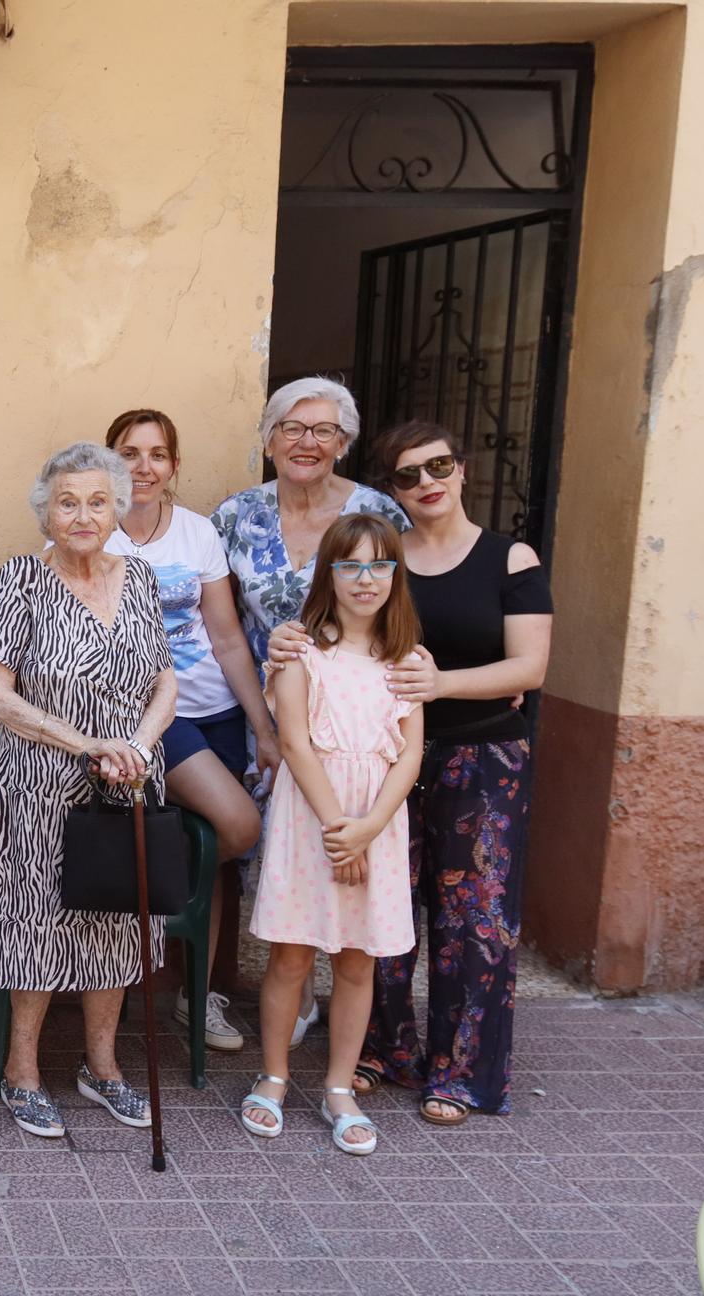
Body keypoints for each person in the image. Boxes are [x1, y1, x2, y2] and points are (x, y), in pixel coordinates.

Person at [269, 422, 551, 1125]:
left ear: (463, 470)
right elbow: (311, 665)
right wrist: (284, 642)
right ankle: (380, 1052)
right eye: (406, 473)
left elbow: (530, 667)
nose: (426, 481)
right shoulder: (387, 558)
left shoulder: (505, 558)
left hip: (475, 757)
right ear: (390, 488)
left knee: (471, 919)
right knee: (383, 924)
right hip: (362, 774)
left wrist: (436, 682)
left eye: (439, 466)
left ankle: (459, 1074)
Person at [0, 442, 178, 1138]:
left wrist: (141, 747)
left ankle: (103, 1066)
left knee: (118, 916)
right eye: (68, 501)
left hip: (130, 779)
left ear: (118, 506)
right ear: (47, 510)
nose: (83, 514)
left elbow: (165, 683)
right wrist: (88, 744)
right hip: (43, 779)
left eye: (97, 500)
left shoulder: (142, 578)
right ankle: (21, 1072)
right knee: (35, 917)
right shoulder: (21, 579)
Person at [212, 376, 408, 1044]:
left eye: (324, 430)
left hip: (353, 715)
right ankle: (266, 994)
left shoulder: (379, 510)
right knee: (264, 857)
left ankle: (333, 1000)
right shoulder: (235, 515)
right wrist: (264, 726)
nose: (307, 442)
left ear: (344, 442)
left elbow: (403, 600)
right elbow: (225, 626)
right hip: (257, 718)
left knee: (345, 851)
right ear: (268, 440)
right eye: (292, 428)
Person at [238, 515, 423, 1158]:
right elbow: (294, 742)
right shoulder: (300, 653)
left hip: (376, 822)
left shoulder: (407, 661)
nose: (365, 579)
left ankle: (339, 1087)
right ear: (329, 575)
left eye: (379, 565)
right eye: (350, 565)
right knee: (292, 956)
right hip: (311, 820)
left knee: (356, 959)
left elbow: (409, 755)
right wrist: (336, 831)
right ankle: (275, 1075)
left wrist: (367, 829)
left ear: (396, 575)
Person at [103, 409, 270, 1052]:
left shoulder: (198, 534)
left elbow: (227, 638)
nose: (143, 467)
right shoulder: (92, 531)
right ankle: (151, 922)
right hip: (147, 717)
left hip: (217, 711)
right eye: (129, 452)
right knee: (236, 827)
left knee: (219, 861)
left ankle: (196, 999)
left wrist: (264, 728)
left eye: (158, 454)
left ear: (174, 466)